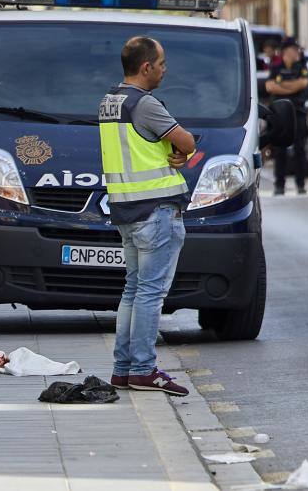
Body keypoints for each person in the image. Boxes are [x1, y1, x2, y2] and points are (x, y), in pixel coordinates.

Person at [99, 36, 195, 396]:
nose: (165, 69)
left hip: (126, 208)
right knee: (151, 293)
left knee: (133, 290)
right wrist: (184, 150)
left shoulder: (110, 102)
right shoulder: (145, 104)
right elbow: (185, 141)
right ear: (146, 67)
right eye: (162, 63)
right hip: (156, 210)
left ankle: (123, 370)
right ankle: (143, 369)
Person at [265, 37, 308, 196]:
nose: (296, 52)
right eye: (293, 49)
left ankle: (301, 184)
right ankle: (279, 185)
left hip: (298, 111)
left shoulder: (301, 66)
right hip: (281, 113)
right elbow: (270, 87)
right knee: (280, 150)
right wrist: (292, 88)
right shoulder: (276, 67)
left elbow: (303, 83)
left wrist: (282, 86)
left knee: (299, 149)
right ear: (286, 51)